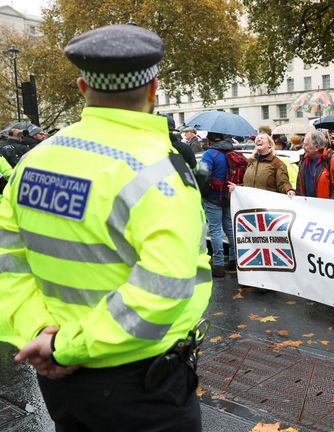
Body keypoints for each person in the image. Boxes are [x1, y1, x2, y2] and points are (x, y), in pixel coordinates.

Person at [0, 24, 210, 432]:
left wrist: (40, 334)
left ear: (82, 87)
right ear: (153, 88)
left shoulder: (32, 162)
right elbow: (163, 287)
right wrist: (66, 347)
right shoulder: (159, 172)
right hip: (138, 383)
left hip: (57, 375)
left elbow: (7, 261)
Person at [198, 131, 237, 277]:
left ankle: (219, 265)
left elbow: (203, 174)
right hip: (229, 196)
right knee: (229, 228)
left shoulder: (209, 154)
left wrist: (203, 192)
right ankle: (234, 260)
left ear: (210, 140)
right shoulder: (231, 152)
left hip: (213, 197)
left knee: (214, 230)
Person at [296, 130, 334, 200]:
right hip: (308, 208)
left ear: (317, 147)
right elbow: (299, 188)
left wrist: (329, 207)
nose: (303, 147)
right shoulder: (304, 161)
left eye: (306, 144)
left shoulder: (333, 158)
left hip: (326, 208)